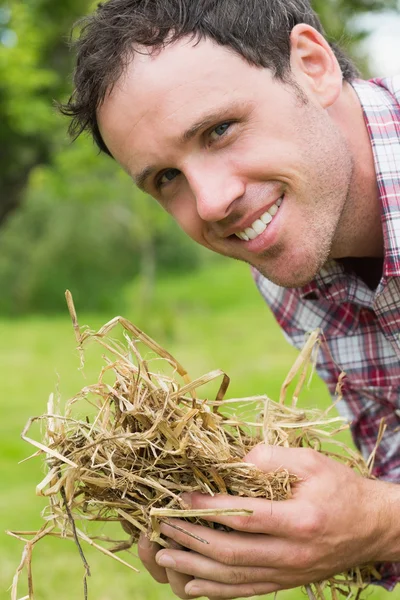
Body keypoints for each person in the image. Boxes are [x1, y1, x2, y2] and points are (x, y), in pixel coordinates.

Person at [61, 0, 400, 597]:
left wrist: (380, 523)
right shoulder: (288, 264)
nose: (213, 203)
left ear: (313, 65)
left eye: (219, 130)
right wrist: (266, 538)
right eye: (167, 178)